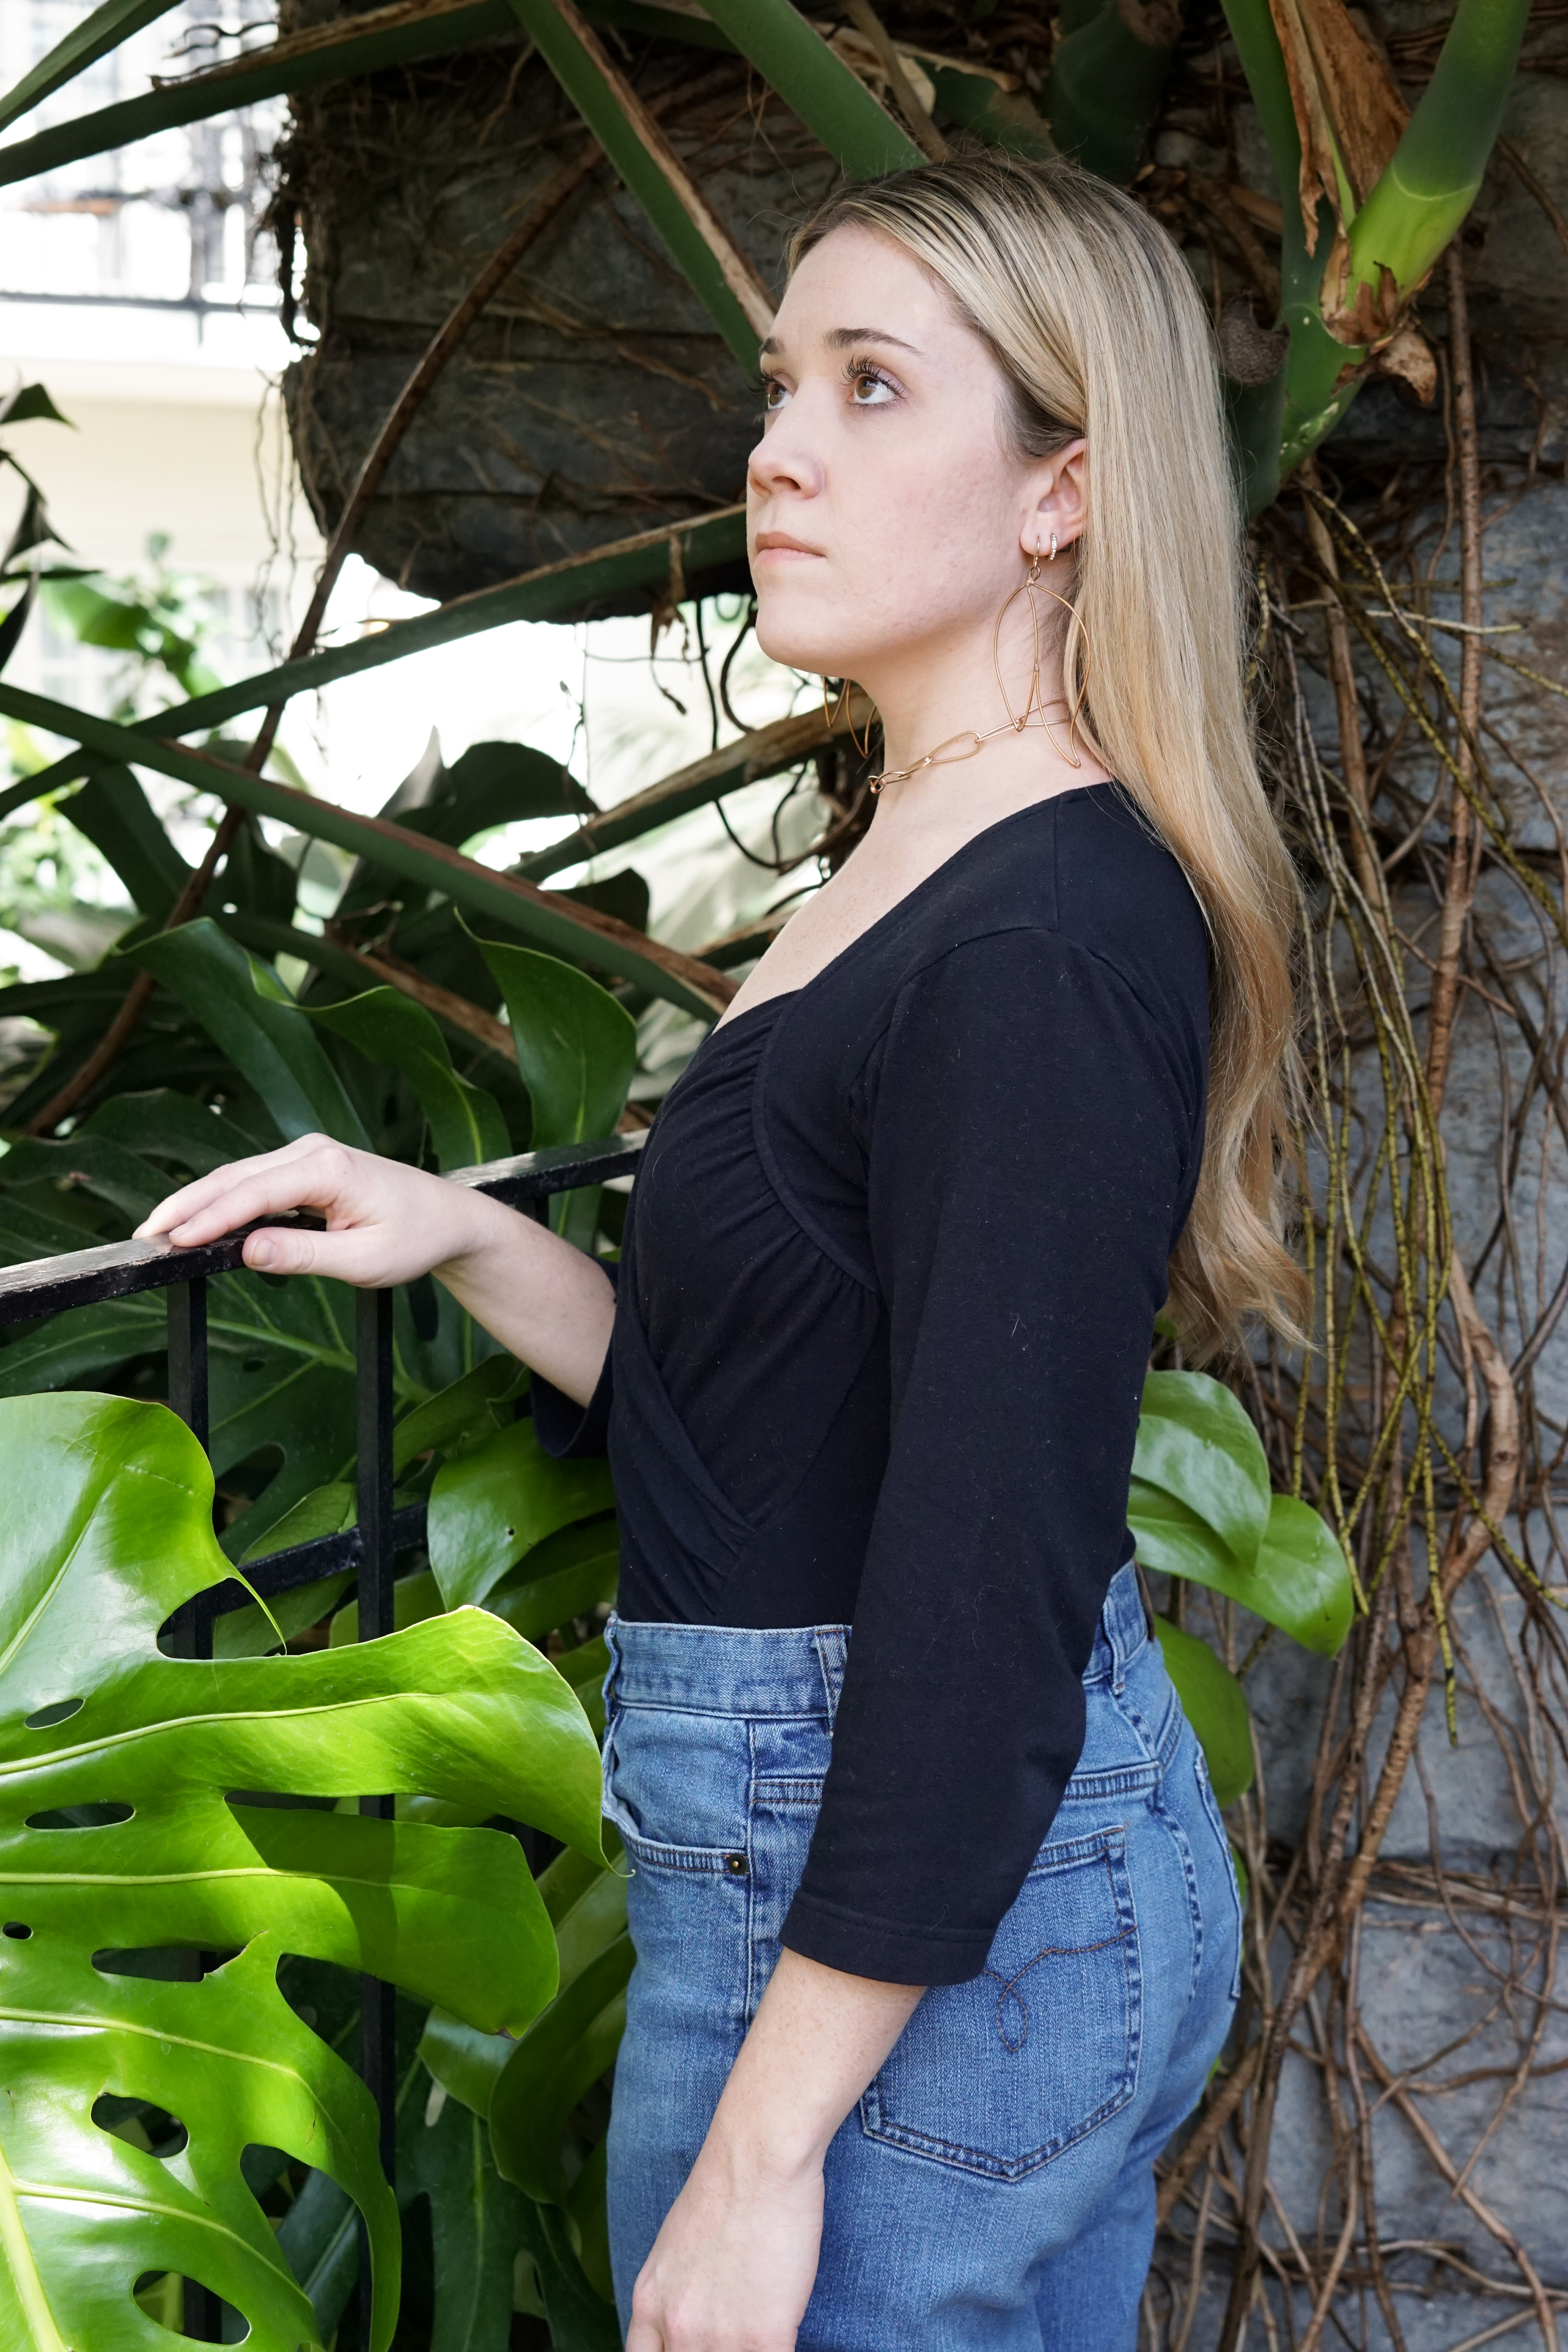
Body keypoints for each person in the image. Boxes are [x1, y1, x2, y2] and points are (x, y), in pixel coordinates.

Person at [141, 152, 1306, 2352]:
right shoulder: (914, 857)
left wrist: (768, 2159)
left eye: (874, 388)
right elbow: (787, 1434)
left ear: (1067, 489)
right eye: (784, 383)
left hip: (889, 1931)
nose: (777, 449)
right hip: (898, 1884)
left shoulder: (1039, 936)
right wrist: (472, 1235)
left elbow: (977, 1587)